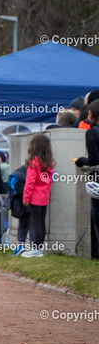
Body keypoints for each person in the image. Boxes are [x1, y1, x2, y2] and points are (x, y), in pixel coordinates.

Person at [20, 134, 55, 258]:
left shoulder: (33, 162)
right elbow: (49, 182)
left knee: (36, 224)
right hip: (44, 197)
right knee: (42, 223)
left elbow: (29, 182)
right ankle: (39, 248)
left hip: (34, 198)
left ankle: (36, 250)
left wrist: (26, 198)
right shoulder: (48, 163)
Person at [75, 99, 99, 260]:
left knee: (97, 216)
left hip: (97, 179)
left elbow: (94, 159)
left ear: (92, 114)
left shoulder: (92, 133)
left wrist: (81, 161)